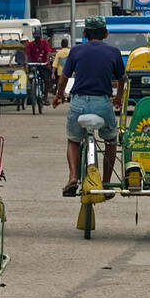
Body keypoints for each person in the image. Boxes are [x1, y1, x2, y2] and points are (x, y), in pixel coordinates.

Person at [52, 17, 124, 196]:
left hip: (79, 104)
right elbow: (122, 79)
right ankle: (106, 184)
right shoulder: (114, 52)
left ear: (84, 34)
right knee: (111, 140)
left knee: (73, 140)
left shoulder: (76, 51)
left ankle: (72, 177)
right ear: (106, 33)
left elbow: (63, 79)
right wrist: (118, 99)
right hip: (103, 103)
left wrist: (59, 96)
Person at [25, 27, 53, 93]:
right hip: (33, 64)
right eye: (36, 37)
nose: (37, 39)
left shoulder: (44, 43)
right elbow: (26, 53)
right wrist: (26, 62)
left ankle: (45, 97)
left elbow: (48, 52)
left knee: (47, 80)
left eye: (38, 37)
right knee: (29, 77)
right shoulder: (30, 44)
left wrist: (47, 60)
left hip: (43, 64)